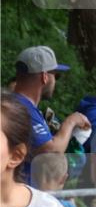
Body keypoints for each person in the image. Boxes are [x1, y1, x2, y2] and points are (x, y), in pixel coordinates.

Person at [11, 47, 91, 178]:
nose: (56, 81)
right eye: (56, 75)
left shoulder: (13, 103)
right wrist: (70, 122)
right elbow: (50, 152)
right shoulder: (22, 108)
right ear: (44, 77)